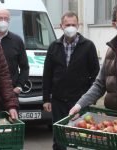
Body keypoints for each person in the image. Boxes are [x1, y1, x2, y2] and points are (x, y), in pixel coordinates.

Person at [43, 11, 100, 150]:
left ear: (78, 25)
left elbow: (96, 75)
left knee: (81, 138)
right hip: (58, 101)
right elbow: (47, 75)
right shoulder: (54, 46)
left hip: (79, 101)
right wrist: (46, 99)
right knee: (59, 138)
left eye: (73, 24)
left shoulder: (88, 46)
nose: (70, 27)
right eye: (67, 24)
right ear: (61, 26)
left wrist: (91, 99)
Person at [69, 2, 117, 116]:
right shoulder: (111, 51)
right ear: (114, 24)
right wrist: (79, 105)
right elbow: (99, 84)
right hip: (114, 119)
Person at [0, 8, 29, 95]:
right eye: (0, 18)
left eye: (6, 19)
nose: (3, 21)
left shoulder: (17, 40)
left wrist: (19, 86)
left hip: (11, 92)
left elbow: (24, 67)